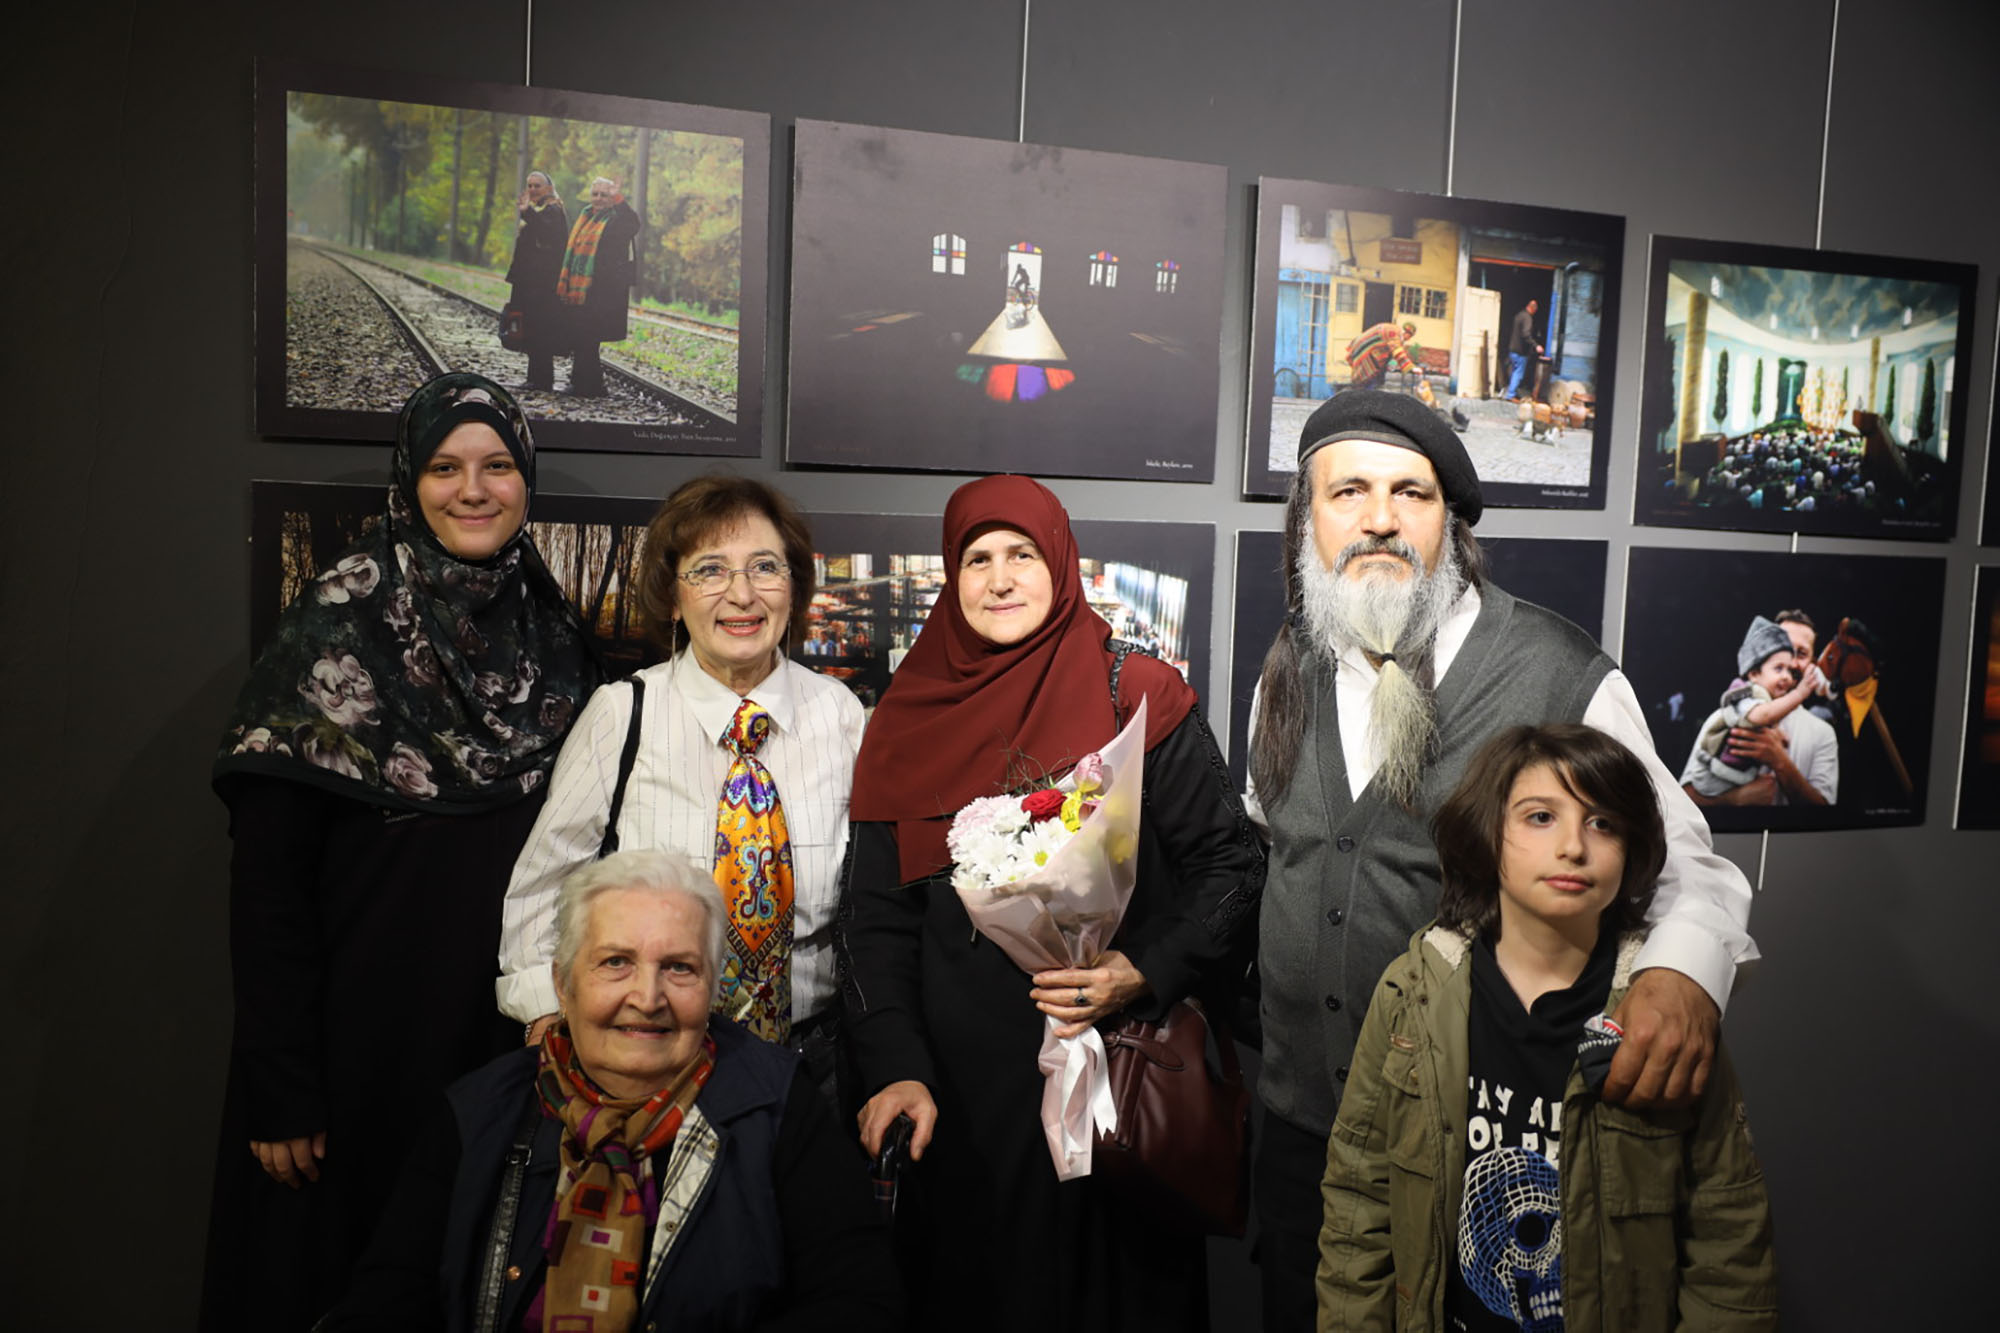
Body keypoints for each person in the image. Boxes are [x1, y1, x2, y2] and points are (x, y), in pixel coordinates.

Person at [1244, 390, 1757, 1331]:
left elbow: (1691, 865)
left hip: (1466, 1137)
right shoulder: (1289, 663)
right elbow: (1277, 847)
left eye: (1414, 493)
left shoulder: (1558, 671)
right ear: (1305, 521)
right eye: (1347, 491)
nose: (1381, 519)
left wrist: (1684, 976)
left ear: (1453, 524)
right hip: (1299, 1136)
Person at [202, 372, 602, 1331]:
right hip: (354, 1060)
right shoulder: (335, 625)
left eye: (498, 464)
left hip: (503, 1052)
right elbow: (268, 890)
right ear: (407, 480)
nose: (474, 489)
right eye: (445, 466)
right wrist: (283, 1083)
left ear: (526, 480)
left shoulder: (552, 632)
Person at [839, 474, 1264, 1332]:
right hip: (962, 1111)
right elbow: (873, 925)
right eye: (976, 558)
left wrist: (1140, 970)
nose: (999, 578)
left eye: (1022, 554)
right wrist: (898, 1064)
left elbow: (1234, 866)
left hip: (1119, 1088)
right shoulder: (903, 719)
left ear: (1061, 563)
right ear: (951, 580)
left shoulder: (1136, 691)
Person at [1318, 725, 1777, 1331]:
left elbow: (1727, 1239)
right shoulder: (1413, 994)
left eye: (1603, 823)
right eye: (1540, 817)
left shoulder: (1663, 1017)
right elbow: (1359, 1201)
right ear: (1488, 833)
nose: (1573, 847)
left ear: (1632, 850)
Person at [323, 850, 901, 1331]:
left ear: (711, 987)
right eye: (616, 962)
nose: (647, 998)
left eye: (679, 968)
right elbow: (385, 1304)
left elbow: (858, 1303)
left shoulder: (777, 1106)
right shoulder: (479, 1113)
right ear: (562, 983)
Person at [498, 476, 864, 1093]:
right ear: (673, 597)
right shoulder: (623, 715)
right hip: (648, 1063)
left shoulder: (842, 716)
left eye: (765, 567)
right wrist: (547, 1016)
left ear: (794, 586)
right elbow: (541, 887)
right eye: (710, 570)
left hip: (812, 1068)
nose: (741, 594)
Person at [1681, 615, 1835, 806]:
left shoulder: (1823, 734)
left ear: (1813, 661)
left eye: (1801, 653)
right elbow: (1684, 800)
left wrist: (1779, 761)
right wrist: (1734, 799)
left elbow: (1824, 812)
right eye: (1781, 650)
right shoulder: (1726, 717)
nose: (1792, 664)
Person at [556, 175, 641, 397]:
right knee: (583, 336)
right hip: (580, 288)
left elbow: (634, 223)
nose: (599, 198)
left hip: (603, 290)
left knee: (588, 337)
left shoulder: (616, 219)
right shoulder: (585, 216)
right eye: (595, 194)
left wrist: (619, 199)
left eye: (604, 194)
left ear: (612, 197)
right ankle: (592, 385)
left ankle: (583, 384)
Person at [504, 170, 568, 392]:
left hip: (542, 285)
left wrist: (527, 212)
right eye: (529, 186)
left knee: (540, 330)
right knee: (530, 329)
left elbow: (546, 231)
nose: (532, 190)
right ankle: (535, 378)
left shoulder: (553, 210)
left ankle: (542, 380)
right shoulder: (541, 210)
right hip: (529, 282)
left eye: (537, 186)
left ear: (549, 189)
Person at [1345, 319, 1422, 392]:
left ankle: (1369, 391)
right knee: (1366, 382)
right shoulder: (1393, 333)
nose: (1408, 339)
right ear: (1407, 333)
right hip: (1364, 350)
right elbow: (1397, 350)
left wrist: (1392, 365)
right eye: (1410, 337)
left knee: (1375, 378)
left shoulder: (1395, 331)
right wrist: (1411, 368)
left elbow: (1391, 354)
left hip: (1368, 350)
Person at [1504, 298, 1543, 401]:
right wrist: (1536, 346)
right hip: (1520, 351)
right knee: (1518, 374)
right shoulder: (1527, 318)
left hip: (1512, 349)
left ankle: (1512, 392)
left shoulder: (1519, 315)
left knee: (1514, 372)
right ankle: (1510, 395)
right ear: (1533, 309)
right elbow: (1525, 334)